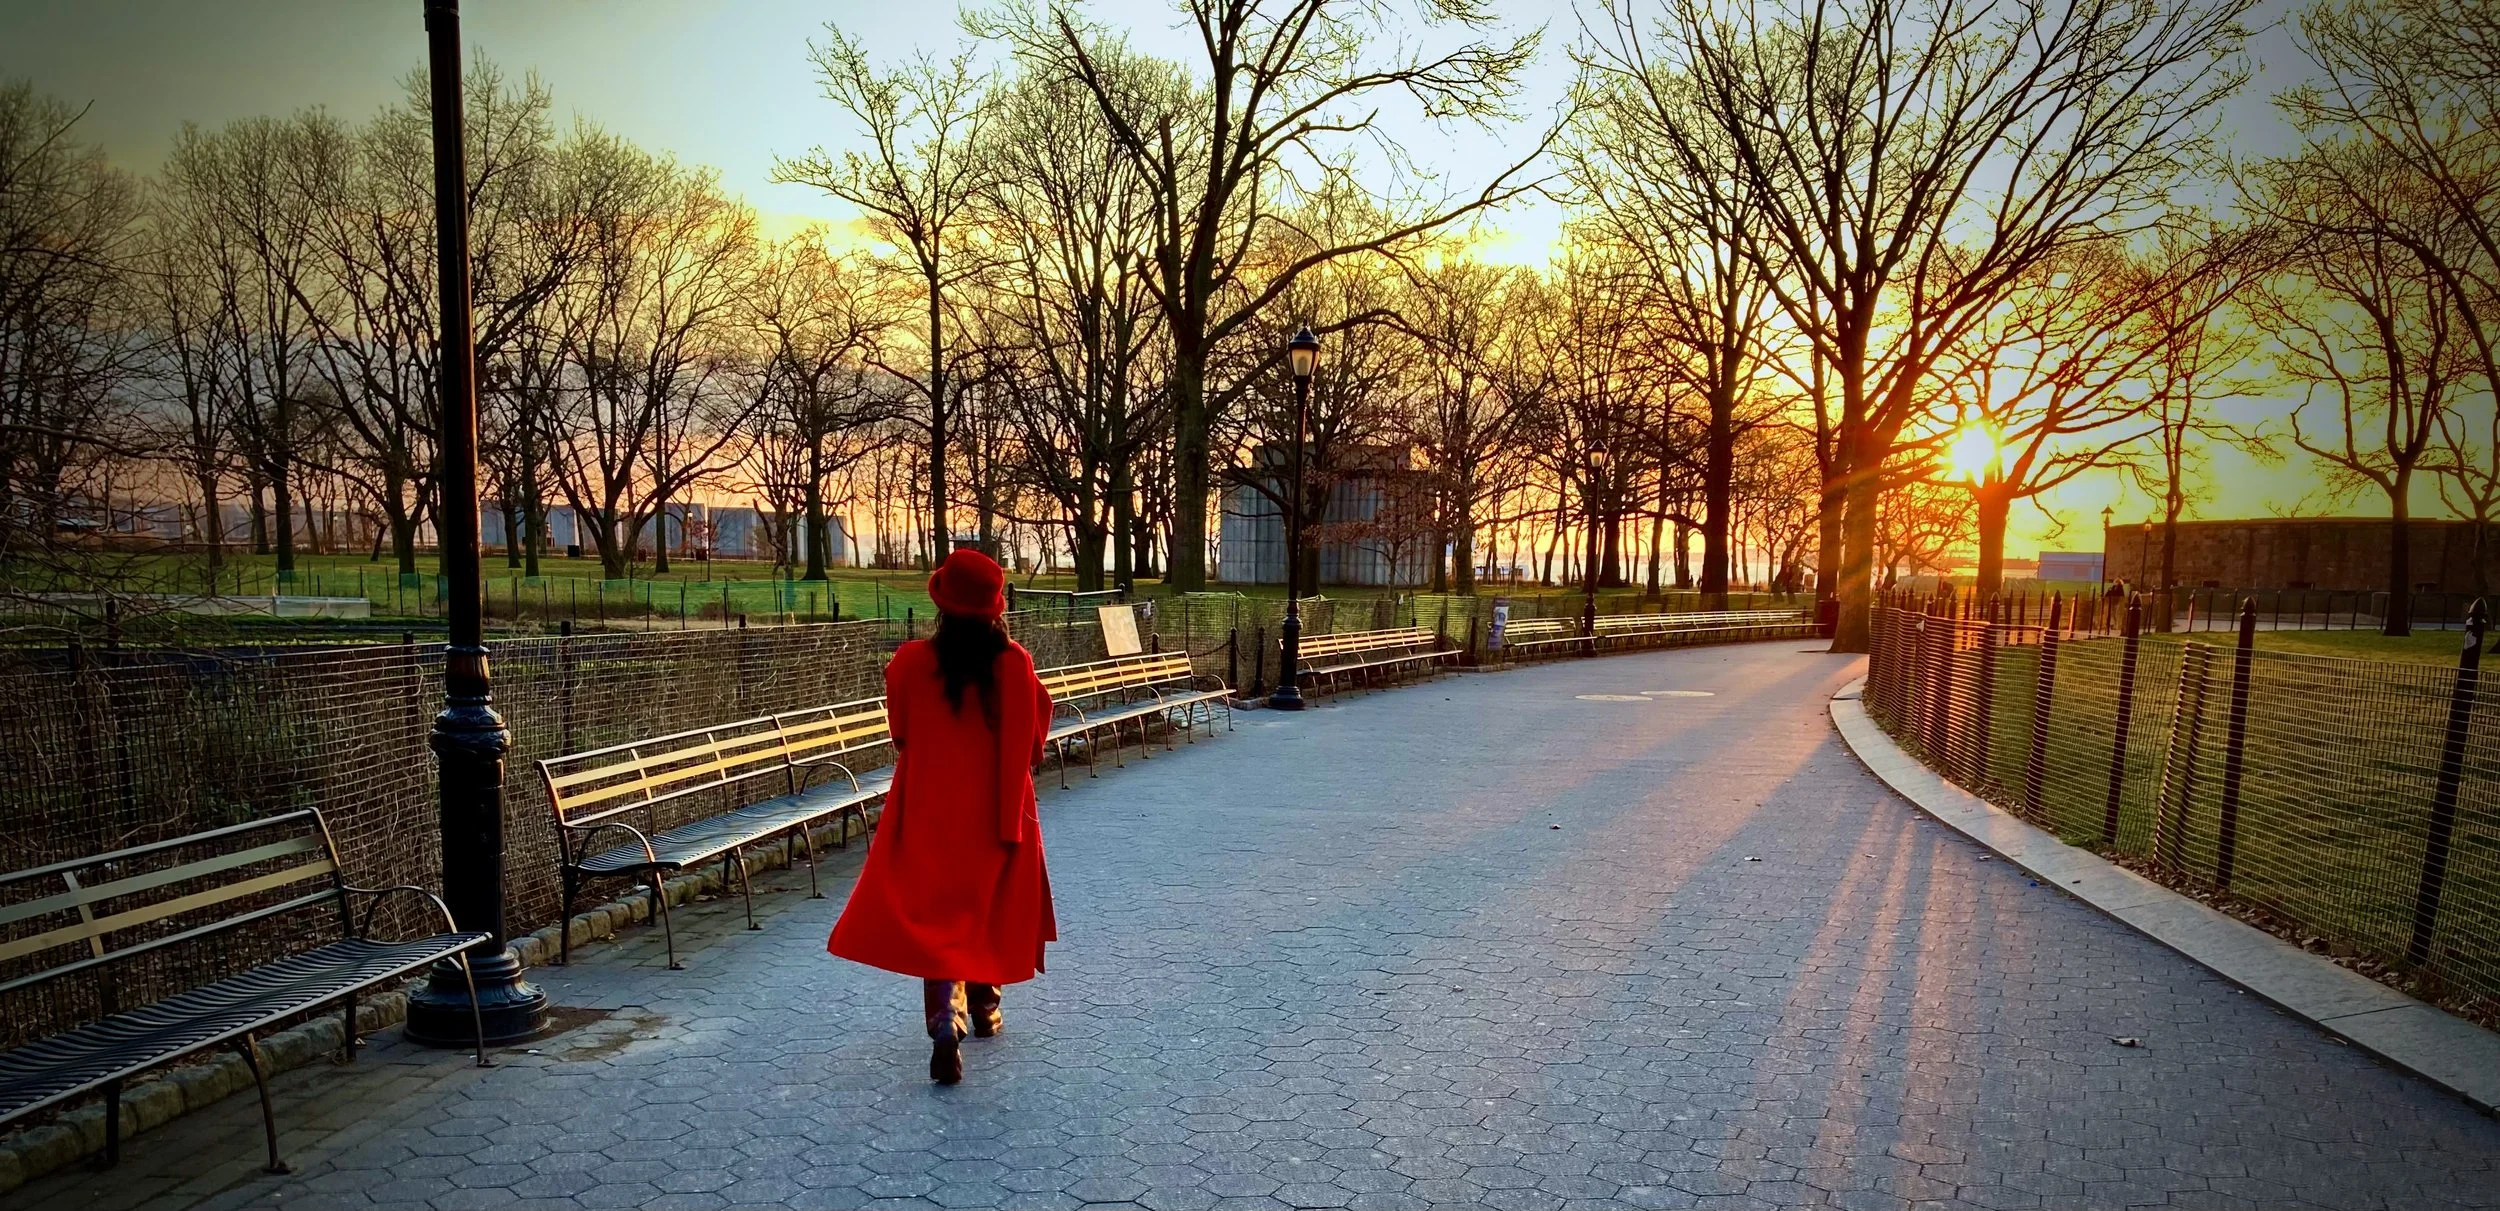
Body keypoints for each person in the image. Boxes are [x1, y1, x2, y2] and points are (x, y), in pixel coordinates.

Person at [828, 548, 1057, 1084]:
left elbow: (901, 731)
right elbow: (1030, 743)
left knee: (939, 917)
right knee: (986, 907)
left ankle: (944, 1021)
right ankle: (984, 1008)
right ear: (995, 609)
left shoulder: (910, 662)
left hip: (928, 808)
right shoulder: (1014, 663)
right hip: (997, 807)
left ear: (940, 605)